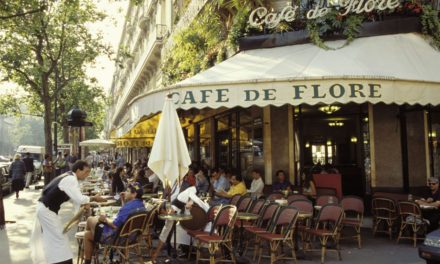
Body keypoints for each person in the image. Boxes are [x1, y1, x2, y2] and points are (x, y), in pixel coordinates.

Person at [30, 160, 106, 264]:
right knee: (59, 237)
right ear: (78, 170)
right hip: (46, 210)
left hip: (46, 209)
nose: (87, 175)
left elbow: (73, 199)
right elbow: (79, 198)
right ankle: (62, 261)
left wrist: (87, 201)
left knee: (53, 238)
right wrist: (92, 199)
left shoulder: (68, 177)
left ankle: (55, 260)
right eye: (86, 172)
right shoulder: (70, 179)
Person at [82, 182, 146, 264]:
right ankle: (93, 247)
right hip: (132, 237)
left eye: (128, 190)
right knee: (87, 234)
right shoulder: (141, 205)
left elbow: (114, 225)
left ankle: (94, 247)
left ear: (134, 194)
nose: (125, 192)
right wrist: (123, 200)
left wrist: (105, 220)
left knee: (90, 219)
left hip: (116, 237)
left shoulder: (128, 207)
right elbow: (124, 217)